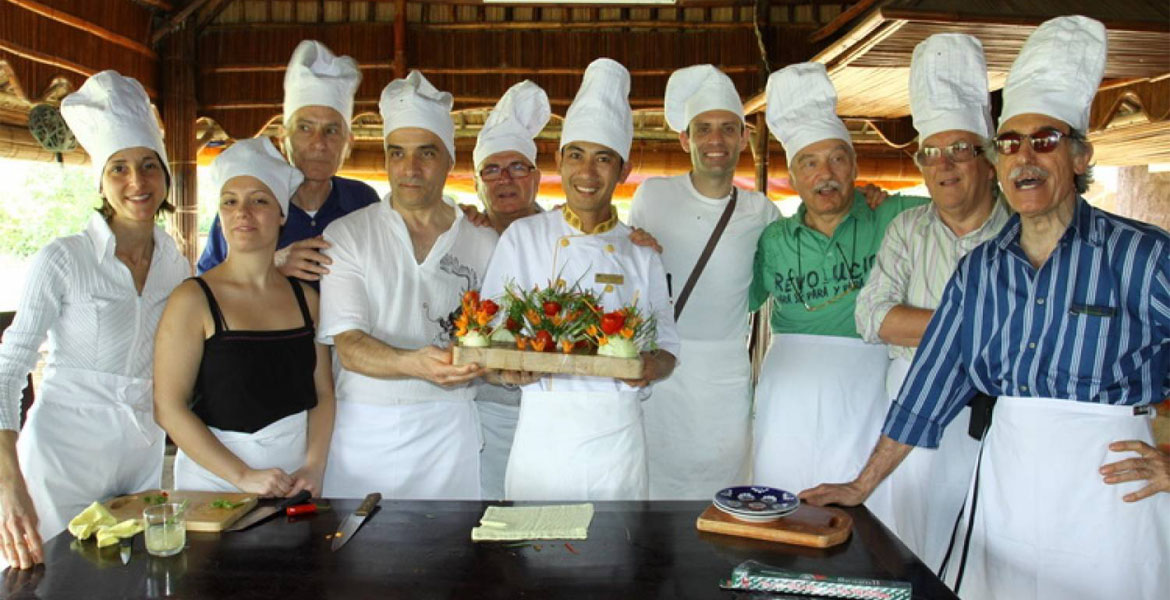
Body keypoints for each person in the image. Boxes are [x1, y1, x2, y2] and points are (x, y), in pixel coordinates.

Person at [803, 16, 1169, 600]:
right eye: (1011, 143)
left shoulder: (1144, 256)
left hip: (1112, 492)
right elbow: (929, 383)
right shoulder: (982, 270)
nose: (1025, 157)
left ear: (1079, 157)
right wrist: (861, 484)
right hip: (1008, 483)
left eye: (1045, 141)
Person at [0, 71, 189, 568]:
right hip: (62, 462)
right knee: (48, 581)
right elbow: (8, 368)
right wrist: (9, 482)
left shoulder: (176, 263)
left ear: (165, 174)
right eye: (119, 168)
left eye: (149, 165)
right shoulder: (64, 258)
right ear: (101, 180)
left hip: (139, 460)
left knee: (130, 581)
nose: (137, 182)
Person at [481, 58, 679, 501]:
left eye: (603, 159)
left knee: (615, 562)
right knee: (532, 561)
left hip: (617, 444)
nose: (587, 173)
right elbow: (490, 340)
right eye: (576, 155)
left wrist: (648, 367)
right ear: (558, 161)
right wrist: (509, 373)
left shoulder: (641, 252)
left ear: (624, 171)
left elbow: (668, 347)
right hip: (541, 440)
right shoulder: (523, 238)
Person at [851, 34, 1012, 568]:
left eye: (960, 149)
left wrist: (926, 327)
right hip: (914, 410)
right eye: (931, 152)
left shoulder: (1020, 231)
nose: (945, 165)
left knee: (992, 543)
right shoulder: (907, 228)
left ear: (989, 161)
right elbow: (871, 316)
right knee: (913, 542)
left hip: (1003, 414)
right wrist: (978, 326)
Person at [748, 63, 927, 515]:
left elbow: (974, 204)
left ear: (855, 167)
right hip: (786, 393)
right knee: (780, 502)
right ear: (792, 175)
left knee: (858, 513)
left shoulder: (893, 215)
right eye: (809, 162)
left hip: (865, 386)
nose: (824, 173)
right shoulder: (772, 239)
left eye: (837, 158)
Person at [318, 71, 496, 500]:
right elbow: (349, 346)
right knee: (362, 561)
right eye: (397, 153)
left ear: (450, 160)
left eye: (426, 153)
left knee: (449, 559)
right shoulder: (348, 235)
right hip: (366, 434)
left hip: (450, 434)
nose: (410, 169)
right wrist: (417, 364)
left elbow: (497, 338)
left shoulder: (483, 241)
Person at [630, 65, 780, 500]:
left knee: (724, 492)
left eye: (728, 129)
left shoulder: (762, 212)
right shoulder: (652, 195)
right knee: (652, 494)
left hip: (724, 377)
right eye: (704, 129)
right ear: (685, 139)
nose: (716, 141)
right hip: (661, 369)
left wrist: (867, 201)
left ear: (744, 137)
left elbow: (806, 237)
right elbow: (620, 264)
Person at [153, 138, 335, 497]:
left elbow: (324, 394)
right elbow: (168, 407)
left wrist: (313, 465)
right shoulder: (193, 299)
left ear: (282, 214)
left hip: (295, 480)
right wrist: (243, 476)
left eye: (260, 200)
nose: (243, 213)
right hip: (214, 481)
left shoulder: (305, 299)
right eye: (230, 202)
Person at [197, 40, 378, 283]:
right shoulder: (249, 205)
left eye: (332, 130)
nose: (319, 142)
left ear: (349, 143)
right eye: (304, 128)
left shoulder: (364, 203)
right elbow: (205, 289)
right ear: (283, 139)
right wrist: (271, 264)